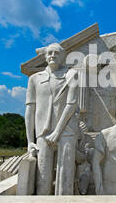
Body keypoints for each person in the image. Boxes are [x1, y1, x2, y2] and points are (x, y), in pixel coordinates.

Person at [24, 43, 79, 195]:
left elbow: (71, 104)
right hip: (43, 130)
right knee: (42, 176)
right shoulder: (35, 79)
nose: (52, 56)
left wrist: (57, 132)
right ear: (45, 57)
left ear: (63, 56)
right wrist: (30, 141)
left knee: (65, 175)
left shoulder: (71, 74)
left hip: (67, 129)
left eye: (56, 53)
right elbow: (30, 109)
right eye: (49, 53)